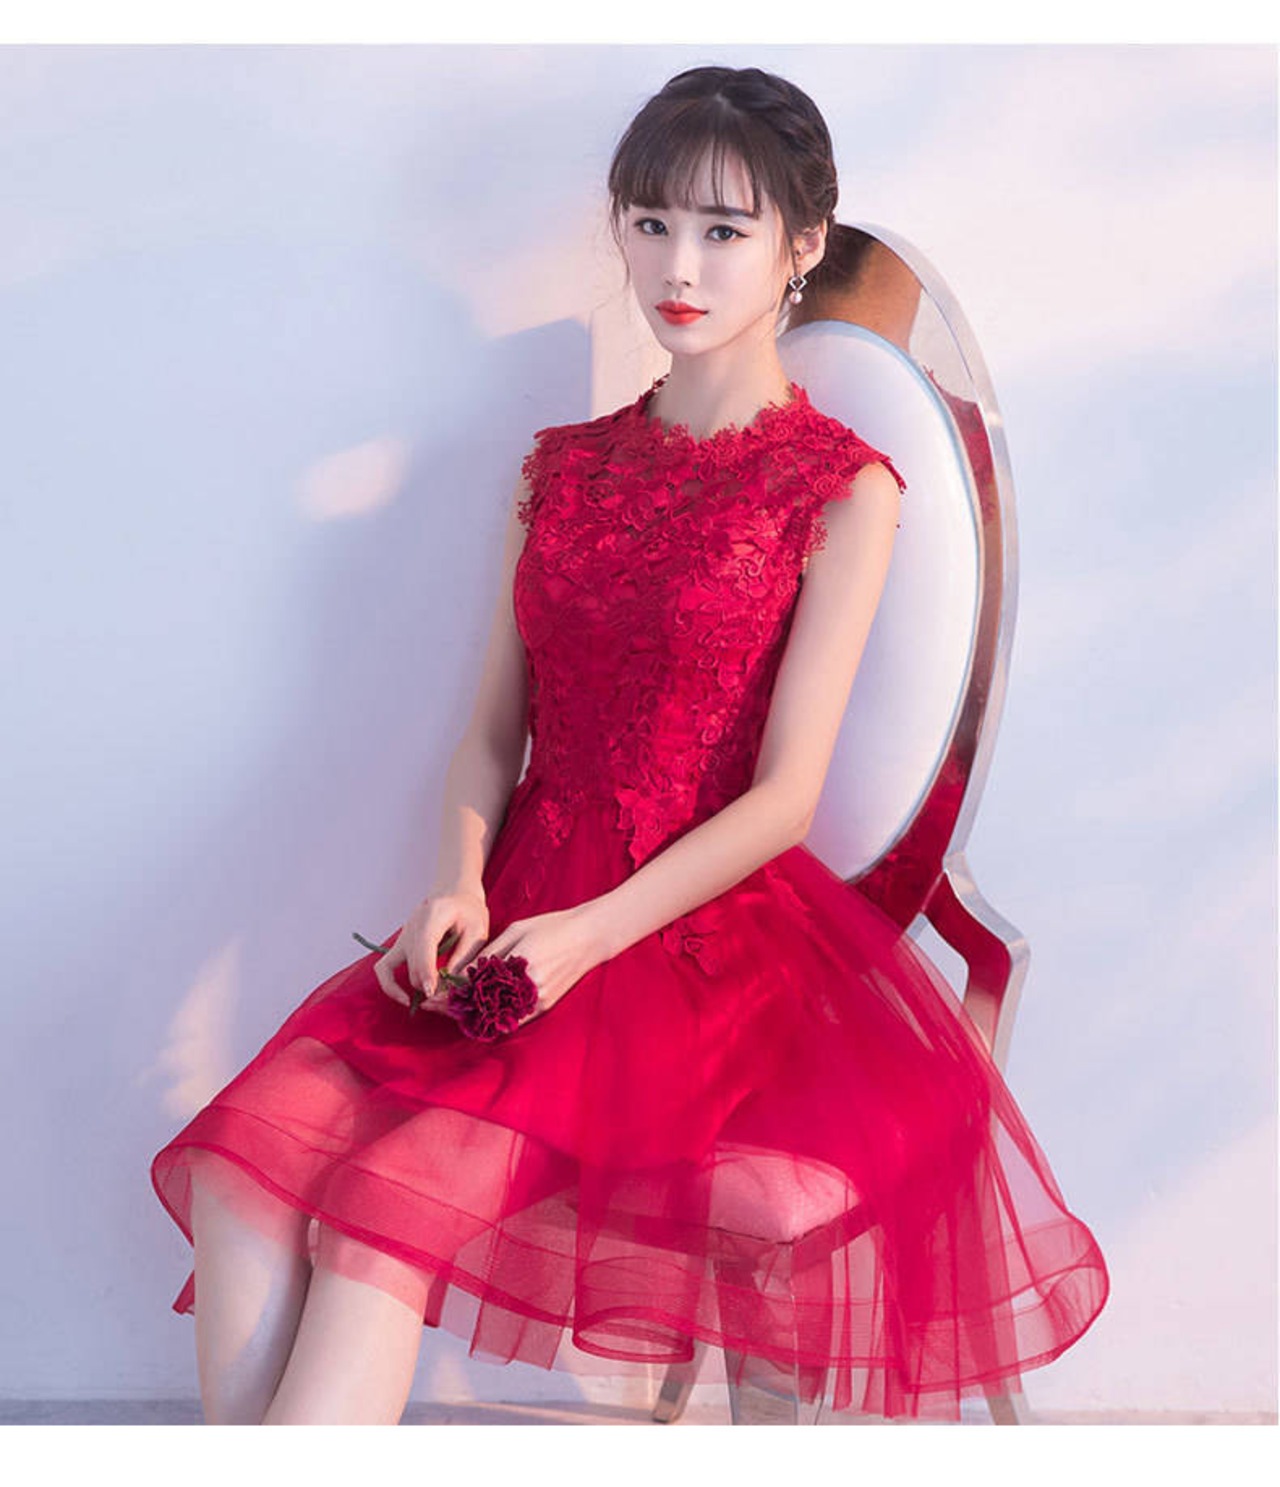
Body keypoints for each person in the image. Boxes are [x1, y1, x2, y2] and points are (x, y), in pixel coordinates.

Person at [150, 64, 1109, 1426]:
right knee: (243, 1178)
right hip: (513, 911)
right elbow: (493, 733)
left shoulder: (840, 488)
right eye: (651, 224)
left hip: (691, 943)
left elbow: (785, 800)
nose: (679, 266)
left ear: (801, 244)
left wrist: (584, 937)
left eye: (723, 229)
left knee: (376, 1220)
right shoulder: (563, 467)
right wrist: (458, 885)